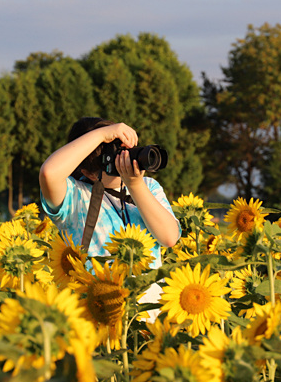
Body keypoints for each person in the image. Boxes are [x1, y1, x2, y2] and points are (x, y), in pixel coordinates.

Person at [39, 117, 181, 294]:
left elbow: (169, 237)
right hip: (96, 307)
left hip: (145, 314)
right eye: (114, 157)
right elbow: (48, 173)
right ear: (88, 173)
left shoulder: (149, 187)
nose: (124, 160)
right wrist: (100, 135)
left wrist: (135, 184)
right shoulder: (74, 195)